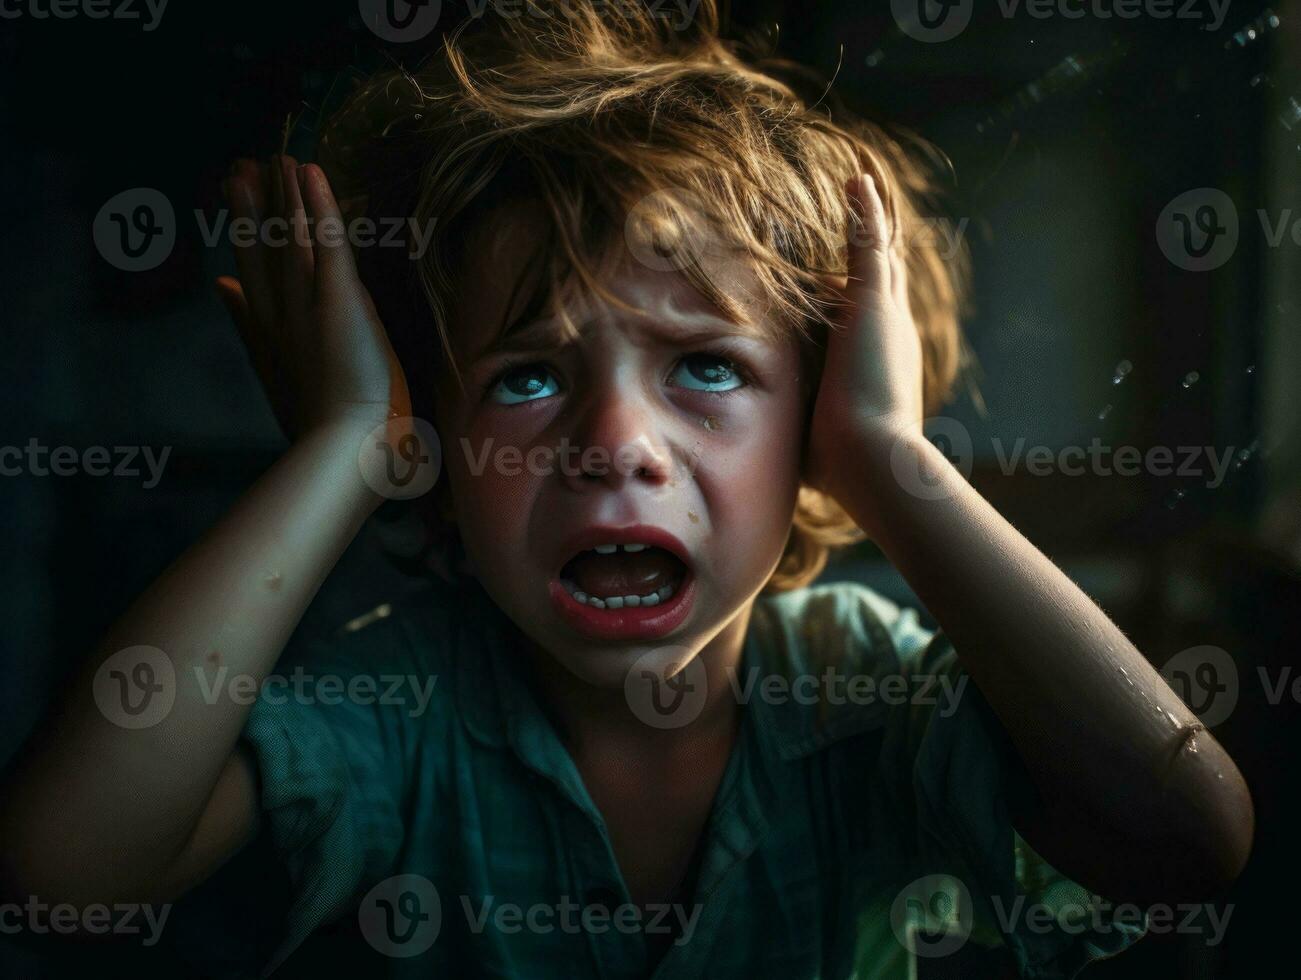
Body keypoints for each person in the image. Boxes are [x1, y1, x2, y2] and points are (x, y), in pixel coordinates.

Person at [0, 3, 1252, 977]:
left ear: (815, 431)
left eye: (705, 365)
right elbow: (62, 873)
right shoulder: (402, 706)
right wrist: (342, 448)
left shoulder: (868, 685)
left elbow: (1188, 841)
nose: (614, 441)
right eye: (529, 379)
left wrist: (892, 458)